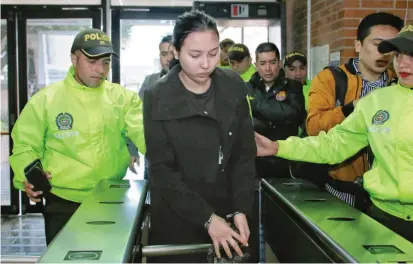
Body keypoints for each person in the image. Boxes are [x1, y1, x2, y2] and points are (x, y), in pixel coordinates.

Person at [255, 24, 413, 243]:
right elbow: (334, 144)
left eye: (412, 55)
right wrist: (278, 147)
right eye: (398, 55)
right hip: (384, 219)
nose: (403, 63)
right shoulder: (376, 102)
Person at [9, 28, 146, 245]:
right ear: (74, 59)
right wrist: (28, 177)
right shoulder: (45, 100)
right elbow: (25, 146)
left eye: (106, 62)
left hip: (111, 199)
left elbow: (144, 132)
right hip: (62, 202)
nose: (100, 69)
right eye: (92, 61)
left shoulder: (123, 99)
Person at [143, 10, 256, 262]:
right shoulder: (157, 96)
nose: (206, 64)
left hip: (229, 212)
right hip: (178, 217)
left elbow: (244, 154)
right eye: (195, 55)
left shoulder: (233, 85)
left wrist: (241, 208)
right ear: (176, 51)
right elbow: (161, 170)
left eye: (213, 53)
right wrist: (206, 218)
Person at [305, 12, 403, 209]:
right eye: (378, 44)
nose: (384, 53)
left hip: (390, 199)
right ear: (358, 45)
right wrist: (351, 108)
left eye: (391, 47)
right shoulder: (331, 79)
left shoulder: (401, 84)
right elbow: (314, 127)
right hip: (342, 190)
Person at [248, 43, 305, 179]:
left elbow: (295, 115)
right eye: (263, 63)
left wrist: (257, 106)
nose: (268, 69)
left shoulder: (293, 87)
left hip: (284, 160)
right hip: (255, 160)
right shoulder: (247, 88)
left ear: (279, 63)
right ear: (256, 65)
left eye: (272, 62)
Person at [138, 35, 173, 99]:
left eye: (172, 54)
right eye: (164, 54)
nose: (169, 58)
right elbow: (139, 107)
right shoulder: (149, 80)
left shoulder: (192, 82)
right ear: (160, 57)